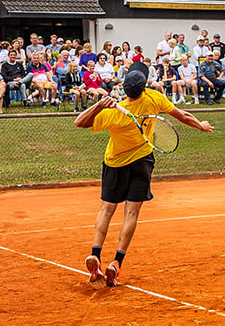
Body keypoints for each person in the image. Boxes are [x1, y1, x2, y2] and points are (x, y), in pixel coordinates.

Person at [74, 69, 212, 286]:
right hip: (142, 163)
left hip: (115, 164)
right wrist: (201, 126)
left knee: (106, 209)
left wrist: (99, 105)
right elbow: (182, 115)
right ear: (144, 88)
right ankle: (117, 263)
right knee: (131, 213)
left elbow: (80, 122)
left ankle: (96, 256)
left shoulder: (113, 113)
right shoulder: (153, 98)